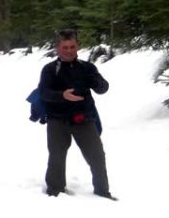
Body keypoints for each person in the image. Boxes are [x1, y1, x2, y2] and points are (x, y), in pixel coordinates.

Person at [38, 29, 113, 198]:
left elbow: (103, 88)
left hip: (83, 119)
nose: (69, 50)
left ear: (77, 46)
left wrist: (96, 82)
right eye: (65, 47)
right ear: (58, 48)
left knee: (97, 156)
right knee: (56, 157)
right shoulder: (50, 70)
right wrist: (62, 95)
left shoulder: (87, 67)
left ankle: (103, 192)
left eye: (72, 46)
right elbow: (44, 92)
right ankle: (55, 191)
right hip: (57, 120)